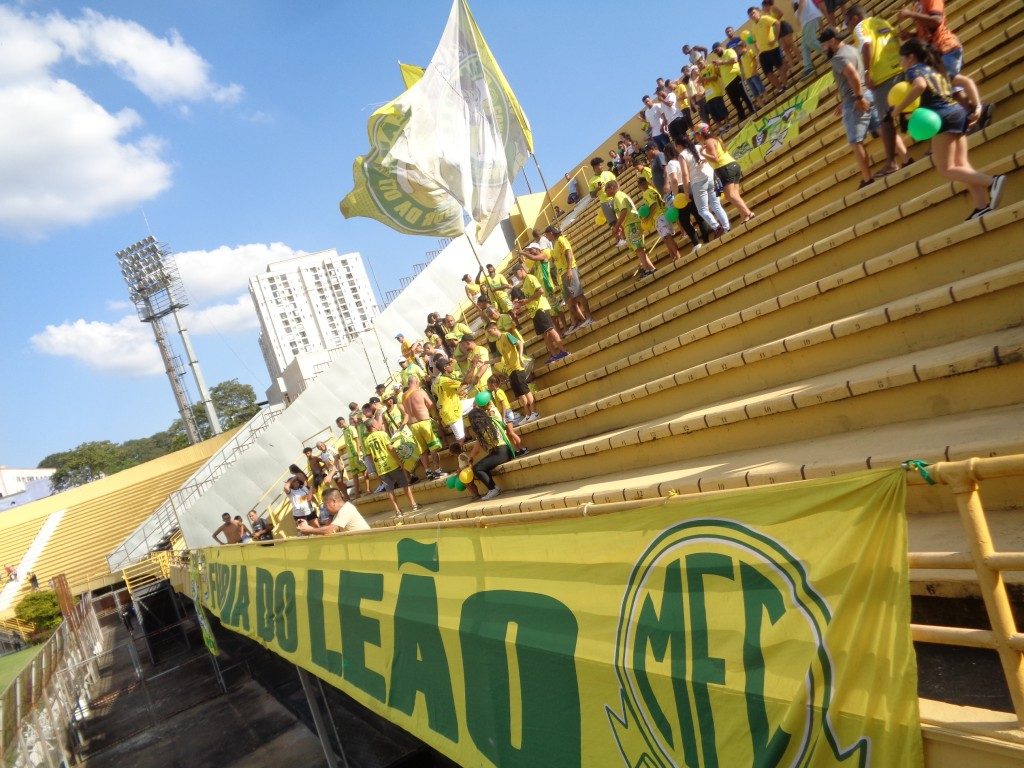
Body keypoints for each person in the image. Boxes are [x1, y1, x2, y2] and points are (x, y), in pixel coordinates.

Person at [892, 38, 1004, 219]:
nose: (901, 64)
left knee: (946, 168)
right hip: (957, 113)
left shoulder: (914, 70)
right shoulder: (938, 69)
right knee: (962, 164)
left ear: (911, 57)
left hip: (941, 117)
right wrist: (976, 106)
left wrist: (897, 110)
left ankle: (992, 181)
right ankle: (981, 206)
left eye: (902, 59)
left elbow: (920, 86)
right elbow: (964, 82)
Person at [848, 6, 911, 176]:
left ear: (854, 18)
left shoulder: (861, 27)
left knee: (885, 121)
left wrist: (867, 72)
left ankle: (891, 162)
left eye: (848, 23)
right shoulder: (882, 22)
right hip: (899, 69)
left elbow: (866, 45)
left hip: (883, 77)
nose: (848, 28)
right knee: (911, 108)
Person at [819, 28, 880, 189]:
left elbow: (852, 75)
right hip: (866, 93)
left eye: (824, 45)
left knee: (856, 141)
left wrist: (857, 98)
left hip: (856, 100)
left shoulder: (838, 57)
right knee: (881, 128)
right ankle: (905, 157)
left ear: (832, 41)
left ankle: (867, 178)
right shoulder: (852, 49)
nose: (823, 49)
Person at [512, 263, 569, 364]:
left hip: (540, 308)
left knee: (550, 329)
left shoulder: (530, 278)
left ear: (521, 270)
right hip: (534, 311)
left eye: (516, 273)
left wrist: (527, 300)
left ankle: (563, 351)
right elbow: (530, 297)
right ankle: (554, 354)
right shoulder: (524, 282)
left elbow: (540, 291)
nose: (516, 276)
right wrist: (523, 303)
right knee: (545, 333)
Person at [465, 392, 516, 501]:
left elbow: (477, 449)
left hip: (500, 452)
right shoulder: (491, 421)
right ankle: (494, 488)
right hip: (501, 451)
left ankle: (493, 489)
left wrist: (470, 458)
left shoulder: (484, 429)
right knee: (482, 466)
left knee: (477, 468)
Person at [699, 125, 755, 222]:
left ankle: (748, 213)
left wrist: (702, 153)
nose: (694, 137)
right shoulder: (716, 139)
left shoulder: (708, 142)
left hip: (724, 168)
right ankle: (745, 215)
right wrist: (706, 159)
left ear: (700, 134)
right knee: (735, 194)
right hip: (732, 164)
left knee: (730, 195)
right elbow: (719, 154)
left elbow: (715, 158)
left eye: (695, 134)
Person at [677, 135, 731, 237]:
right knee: (716, 205)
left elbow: (685, 174)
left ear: (679, 146)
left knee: (702, 210)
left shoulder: (682, 155)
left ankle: (716, 227)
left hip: (698, 182)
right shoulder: (698, 147)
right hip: (710, 176)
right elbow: (707, 159)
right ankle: (726, 227)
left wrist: (686, 192)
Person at [363, 419, 419, 517]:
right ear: (373, 425)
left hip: (381, 468)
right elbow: (391, 449)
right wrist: (399, 462)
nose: (378, 423)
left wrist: (376, 470)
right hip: (392, 464)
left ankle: (397, 511)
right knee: (405, 485)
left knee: (389, 490)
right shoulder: (382, 434)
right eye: (376, 422)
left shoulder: (366, 441)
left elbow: (370, 457)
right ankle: (413, 505)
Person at [605, 178, 657, 278]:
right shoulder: (619, 196)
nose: (605, 192)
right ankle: (651, 268)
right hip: (630, 223)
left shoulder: (618, 196)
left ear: (611, 188)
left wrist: (616, 226)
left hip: (631, 223)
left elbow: (624, 211)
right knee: (638, 249)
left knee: (638, 249)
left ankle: (648, 270)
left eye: (606, 189)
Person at [662, 142, 709, 252]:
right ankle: (706, 239)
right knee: (697, 214)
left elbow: (673, 180)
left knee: (684, 220)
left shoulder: (671, 164)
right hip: (690, 186)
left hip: (680, 189)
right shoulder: (680, 161)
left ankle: (696, 243)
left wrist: (675, 194)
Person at [486, 320, 537, 422]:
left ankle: (534, 413)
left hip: (517, 367)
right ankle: (527, 414)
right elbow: (500, 358)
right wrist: (486, 362)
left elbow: (520, 343)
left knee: (525, 390)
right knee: (520, 394)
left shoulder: (506, 335)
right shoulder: (497, 342)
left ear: (495, 328)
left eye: (489, 331)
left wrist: (521, 356)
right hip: (510, 370)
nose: (489, 333)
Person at [545, 225, 592, 331]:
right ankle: (582, 319)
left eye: (547, 235)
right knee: (572, 298)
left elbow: (568, 253)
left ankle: (589, 317)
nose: (547, 238)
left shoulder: (561, 239)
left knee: (578, 294)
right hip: (562, 273)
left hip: (568, 270)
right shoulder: (556, 243)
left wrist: (570, 269)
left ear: (551, 233)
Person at [898, 0, 962, 77]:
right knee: (945, 85)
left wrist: (911, 14)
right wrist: (910, 35)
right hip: (936, 53)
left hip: (946, 48)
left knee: (950, 83)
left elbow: (937, 20)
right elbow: (925, 34)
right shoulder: (916, 5)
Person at [401, 375, 445, 479]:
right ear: (416, 382)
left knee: (422, 451)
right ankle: (438, 470)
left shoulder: (404, 396)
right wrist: (427, 410)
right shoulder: (420, 392)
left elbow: (406, 411)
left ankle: (428, 471)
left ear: (408, 383)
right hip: (424, 422)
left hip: (413, 426)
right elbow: (430, 404)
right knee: (433, 447)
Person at [637, 176, 682, 262]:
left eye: (641, 184)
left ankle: (677, 256)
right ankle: (673, 255)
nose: (641, 185)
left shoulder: (646, 193)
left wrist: (648, 218)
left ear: (639, 187)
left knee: (667, 237)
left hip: (659, 216)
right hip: (665, 213)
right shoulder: (653, 190)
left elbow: (653, 205)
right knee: (667, 237)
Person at [711, 41, 754, 123]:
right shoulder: (719, 60)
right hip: (727, 83)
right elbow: (720, 75)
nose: (716, 52)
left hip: (735, 77)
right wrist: (716, 68)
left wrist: (722, 62)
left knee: (744, 95)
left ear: (721, 47)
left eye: (717, 50)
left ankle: (752, 109)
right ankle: (742, 115)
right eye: (715, 52)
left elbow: (734, 60)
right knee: (735, 102)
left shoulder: (729, 51)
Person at [748, 6, 788, 94]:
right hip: (763, 53)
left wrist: (775, 39)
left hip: (773, 48)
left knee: (780, 67)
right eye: (750, 15)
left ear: (758, 12)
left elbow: (777, 23)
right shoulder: (753, 27)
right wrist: (757, 51)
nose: (752, 16)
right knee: (768, 73)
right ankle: (780, 88)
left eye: (753, 13)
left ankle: (785, 85)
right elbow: (754, 40)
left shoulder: (765, 18)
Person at [297, 489, 371, 535]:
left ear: (334, 501)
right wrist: (308, 527)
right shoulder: (337, 513)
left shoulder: (346, 510)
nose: (324, 507)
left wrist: (308, 530)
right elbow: (326, 528)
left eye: (325, 503)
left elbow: (330, 530)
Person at [432, 355, 468, 450]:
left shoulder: (438, 381)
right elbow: (465, 383)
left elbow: (450, 393)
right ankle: (460, 459)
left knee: (476, 402)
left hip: (455, 407)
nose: (451, 365)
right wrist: (472, 368)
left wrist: (460, 393)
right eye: (449, 364)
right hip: (451, 412)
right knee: (461, 439)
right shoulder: (445, 380)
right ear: (445, 367)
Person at [764, 1, 799, 74]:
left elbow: (781, 13)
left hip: (783, 26)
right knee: (785, 48)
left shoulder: (773, 8)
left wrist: (775, 21)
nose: (763, 8)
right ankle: (792, 65)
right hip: (777, 31)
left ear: (767, 5)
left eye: (763, 6)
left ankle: (800, 59)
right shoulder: (767, 15)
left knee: (791, 44)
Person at [797, 0, 825, 78]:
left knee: (810, 41)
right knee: (804, 45)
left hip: (810, 17)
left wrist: (798, 16)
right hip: (806, 21)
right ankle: (808, 67)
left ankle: (829, 51)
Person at [737, 40, 766, 108]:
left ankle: (767, 99)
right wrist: (744, 75)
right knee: (755, 92)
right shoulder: (741, 58)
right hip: (748, 77)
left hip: (753, 74)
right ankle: (762, 105)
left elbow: (755, 60)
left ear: (743, 47)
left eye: (739, 49)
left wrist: (755, 70)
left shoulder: (750, 52)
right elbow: (743, 67)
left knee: (760, 88)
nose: (738, 51)